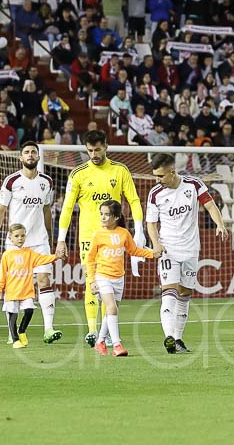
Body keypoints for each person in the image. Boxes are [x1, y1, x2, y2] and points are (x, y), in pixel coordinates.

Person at [55, 131, 145, 346]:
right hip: (89, 236)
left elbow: (133, 200)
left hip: (114, 237)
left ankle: (104, 332)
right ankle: (92, 330)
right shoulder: (78, 174)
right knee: (92, 281)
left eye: (97, 149)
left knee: (111, 286)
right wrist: (61, 239)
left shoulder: (120, 170)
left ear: (106, 147)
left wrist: (139, 230)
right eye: (89, 150)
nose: (93, 154)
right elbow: (67, 208)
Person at [145, 153, 228, 354]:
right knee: (169, 292)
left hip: (191, 249)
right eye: (155, 176)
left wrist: (220, 224)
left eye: (160, 176)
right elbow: (151, 223)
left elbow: (209, 204)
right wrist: (156, 244)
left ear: (172, 172)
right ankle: (169, 336)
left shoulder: (193, 184)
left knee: (185, 294)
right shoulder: (155, 193)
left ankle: (179, 339)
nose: (157, 181)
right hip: (168, 249)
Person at [0, 142, 61, 345]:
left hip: (39, 240)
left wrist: (51, 238)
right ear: (20, 158)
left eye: (33, 152)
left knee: (44, 280)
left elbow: (47, 210)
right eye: (26, 152)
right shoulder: (11, 181)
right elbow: (0, 211)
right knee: (14, 287)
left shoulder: (47, 181)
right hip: (16, 243)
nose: (30, 155)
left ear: (38, 157)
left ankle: (48, 329)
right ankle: (12, 332)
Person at [87, 200, 154, 357]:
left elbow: (133, 250)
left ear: (116, 217)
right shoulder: (97, 234)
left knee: (111, 311)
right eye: (101, 214)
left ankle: (100, 342)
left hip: (119, 278)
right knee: (112, 308)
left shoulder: (124, 233)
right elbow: (90, 260)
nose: (103, 218)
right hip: (102, 277)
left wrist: (152, 254)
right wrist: (92, 281)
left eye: (106, 215)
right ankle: (117, 345)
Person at [0, 223, 60, 348]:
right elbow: (1, 273)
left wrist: (56, 256)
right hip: (12, 291)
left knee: (29, 311)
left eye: (22, 236)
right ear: (10, 238)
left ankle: (22, 331)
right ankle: (15, 340)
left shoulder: (29, 253)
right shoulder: (7, 255)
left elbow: (42, 259)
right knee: (13, 314)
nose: (20, 238)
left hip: (26, 291)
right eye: (17, 236)